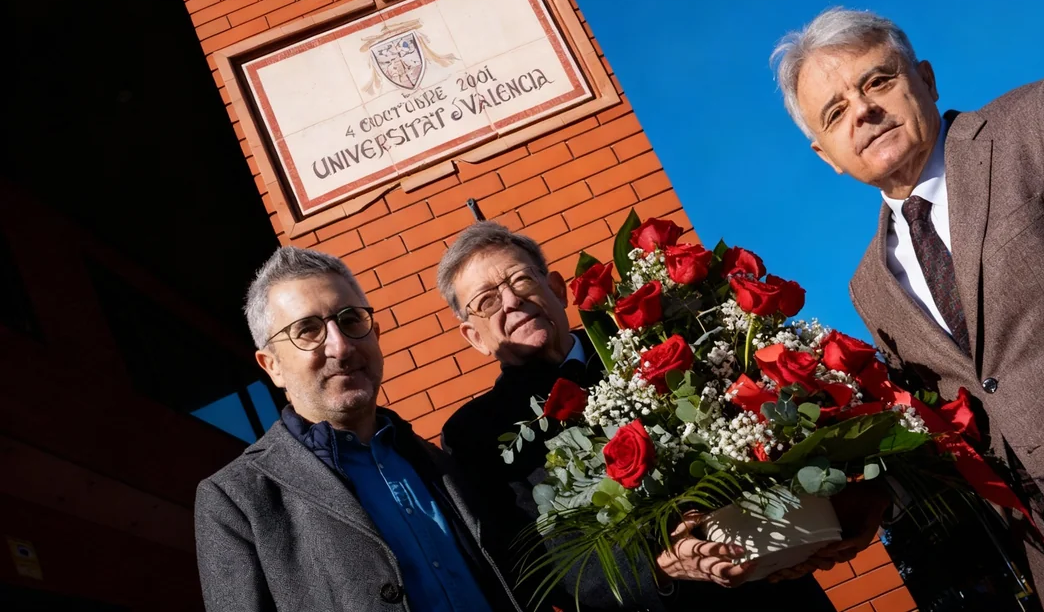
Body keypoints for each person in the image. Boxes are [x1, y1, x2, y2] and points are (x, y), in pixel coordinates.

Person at [771, 7, 1044, 611]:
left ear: (925, 77)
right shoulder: (869, 286)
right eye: (836, 112)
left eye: (877, 81)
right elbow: (953, 435)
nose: (862, 112)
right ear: (827, 156)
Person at [436, 221, 864, 612]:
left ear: (555, 288)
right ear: (474, 336)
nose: (511, 302)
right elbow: (540, 565)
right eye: (487, 301)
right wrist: (658, 565)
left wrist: (826, 512)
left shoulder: (659, 340)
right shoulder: (475, 435)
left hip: (778, 593)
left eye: (521, 279)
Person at [194, 246, 523, 612]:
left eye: (350, 320)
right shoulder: (237, 500)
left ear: (376, 333)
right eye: (308, 330)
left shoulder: (439, 461)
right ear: (272, 366)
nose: (341, 346)